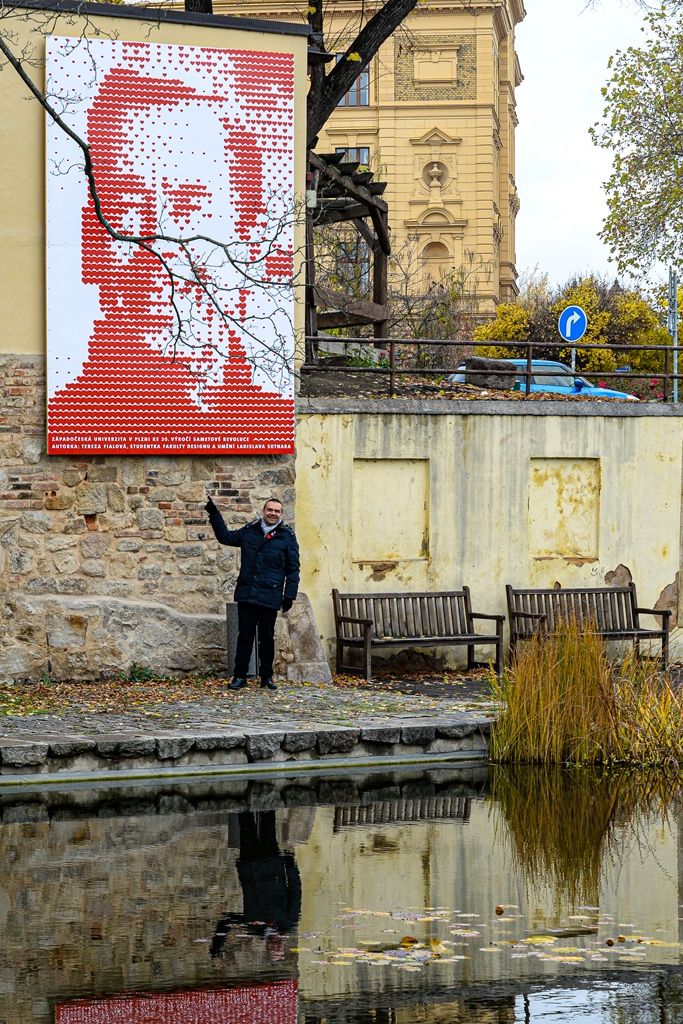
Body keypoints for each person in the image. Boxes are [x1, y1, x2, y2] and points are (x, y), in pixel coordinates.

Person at [46, 44, 295, 456]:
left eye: (186, 204)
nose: (152, 242)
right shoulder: (75, 403)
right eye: (126, 206)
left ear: (244, 230)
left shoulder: (264, 410)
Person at [205, 495, 299, 691]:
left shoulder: (287, 537)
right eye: (269, 510)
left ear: (281, 514)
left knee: (266, 638)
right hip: (248, 593)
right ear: (263, 511)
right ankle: (240, 676)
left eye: (277, 511)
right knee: (245, 636)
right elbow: (225, 537)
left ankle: (266, 677)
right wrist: (214, 514)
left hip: (270, 594)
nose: (273, 513)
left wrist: (289, 594)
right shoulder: (250, 531)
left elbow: (293, 569)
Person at [209, 810, 301, 962]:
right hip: (271, 866)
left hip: (249, 868)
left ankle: (243, 798)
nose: (276, 947)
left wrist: (216, 946)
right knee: (267, 826)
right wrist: (291, 867)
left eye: (272, 951)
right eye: (279, 951)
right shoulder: (288, 922)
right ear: (283, 947)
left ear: (267, 947)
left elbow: (226, 921)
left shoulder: (253, 928)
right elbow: (295, 892)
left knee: (246, 827)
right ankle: (266, 794)